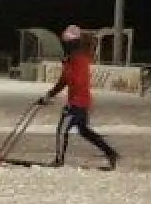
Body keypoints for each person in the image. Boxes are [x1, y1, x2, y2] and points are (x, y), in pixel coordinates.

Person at [36, 24, 119, 170]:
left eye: (66, 43)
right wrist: (48, 96)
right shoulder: (72, 59)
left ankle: (59, 160)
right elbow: (63, 82)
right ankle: (111, 153)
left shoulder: (78, 59)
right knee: (84, 130)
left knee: (62, 130)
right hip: (82, 102)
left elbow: (77, 81)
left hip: (77, 103)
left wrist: (72, 103)